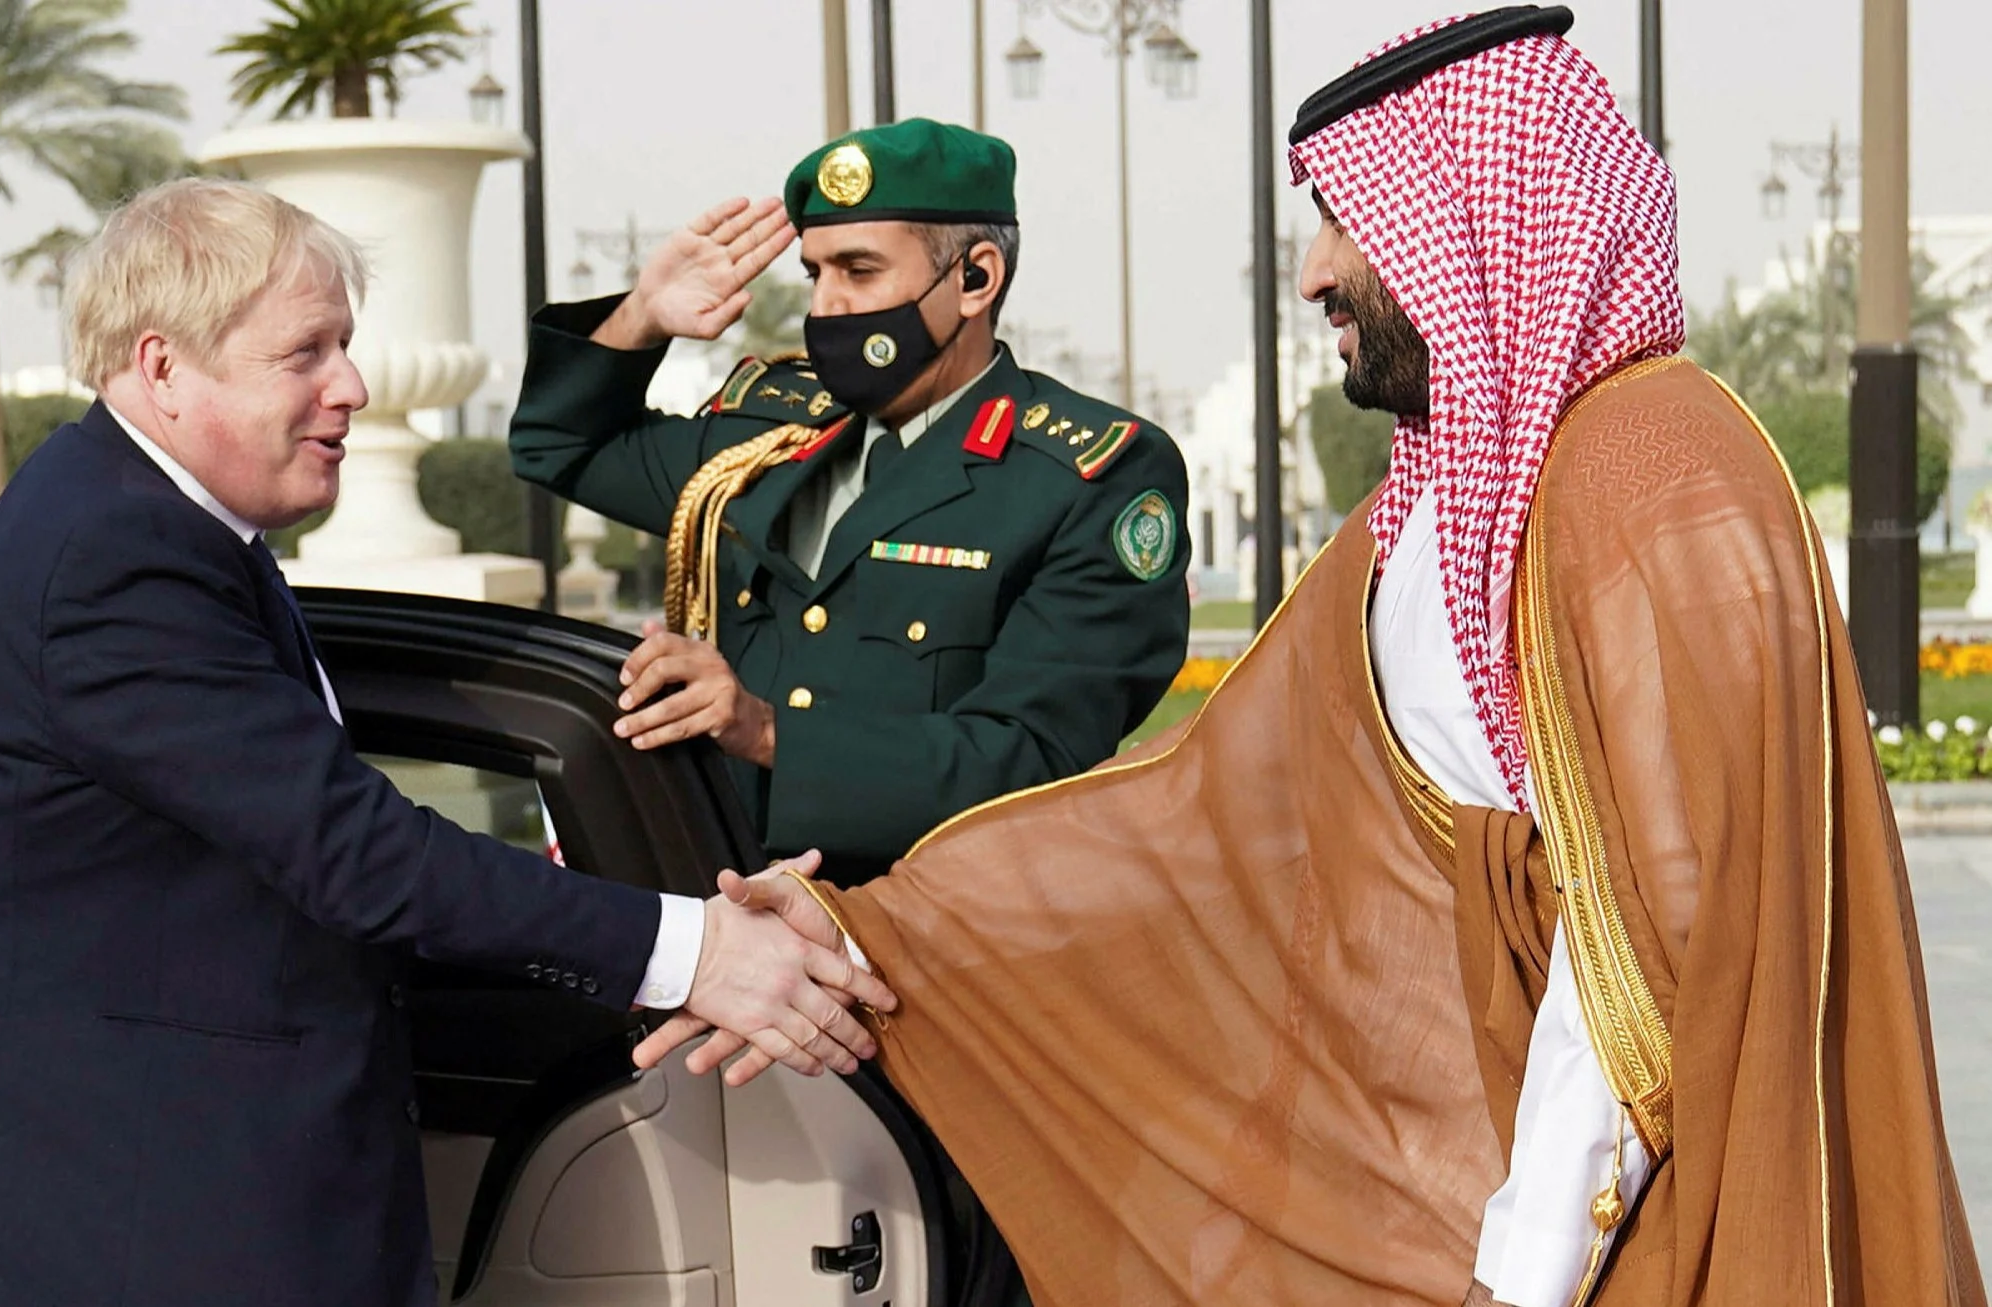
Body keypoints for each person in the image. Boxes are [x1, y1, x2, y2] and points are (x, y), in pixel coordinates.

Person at [644, 8, 1986, 1306]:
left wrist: (1521, 1268)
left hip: (1638, 1215)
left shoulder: (1648, 476)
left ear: (1466, 225)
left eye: (1349, 221)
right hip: (1473, 1178)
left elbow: (1642, 932)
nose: (1313, 273)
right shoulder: (1428, 513)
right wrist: (869, 926)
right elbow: (1199, 813)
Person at [0, 177, 894, 1307]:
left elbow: (275, 845)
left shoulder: (157, 523)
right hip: (112, 1228)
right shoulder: (113, 557)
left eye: (344, 345)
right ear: (161, 368)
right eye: (303, 351)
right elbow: (352, 853)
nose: (348, 386)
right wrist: (694, 951)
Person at [510, 118, 1191, 888]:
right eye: (815, 273)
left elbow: (1029, 760)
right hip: (720, 917)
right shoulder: (767, 439)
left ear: (976, 279)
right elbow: (557, 446)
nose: (827, 306)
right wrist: (640, 316)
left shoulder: (1088, 476)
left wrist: (766, 731)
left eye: (859, 271)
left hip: (927, 940)